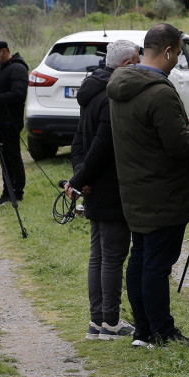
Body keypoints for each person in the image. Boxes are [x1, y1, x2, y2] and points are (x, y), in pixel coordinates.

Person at [106, 23, 189, 348]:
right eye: (178, 52)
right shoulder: (160, 92)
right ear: (167, 51)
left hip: (134, 190)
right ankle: (162, 332)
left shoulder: (121, 85)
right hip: (164, 194)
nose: (178, 58)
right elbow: (177, 145)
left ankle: (144, 332)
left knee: (140, 259)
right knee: (156, 265)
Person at [67, 40, 141, 342]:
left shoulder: (91, 88)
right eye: (136, 61)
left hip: (93, 182)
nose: (139, 66)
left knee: (98, 254)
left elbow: (78, 142)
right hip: (110, 185)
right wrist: (83, 178)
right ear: (125, 65)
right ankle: (110, 321)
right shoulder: (113, 97)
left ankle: (97, 321)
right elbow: (101, 145)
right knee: (111, 256)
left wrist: (80, 176)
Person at [0, 40, 28, 206]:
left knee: (12, 157)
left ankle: (15, 192)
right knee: (4, 158)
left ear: (3, 51)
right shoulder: (2, 69)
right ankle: (8, 191)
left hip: (10, 122)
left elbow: (18, 94)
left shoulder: (18, 68)